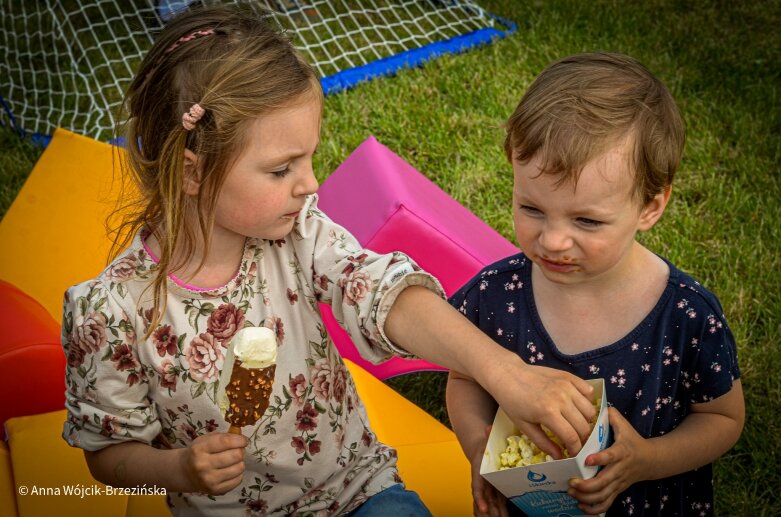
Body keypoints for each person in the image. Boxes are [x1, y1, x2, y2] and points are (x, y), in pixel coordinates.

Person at [60, 6, 597, 516]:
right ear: (191, 172)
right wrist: (177, 469)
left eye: (309, 158)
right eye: (281, 169)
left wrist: (507, 374)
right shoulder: (110, 313)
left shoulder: (298, 234)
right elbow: (109, 458)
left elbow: (385, 295)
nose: (310, 183)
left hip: (358, 491)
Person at [446, 52, 744, 517]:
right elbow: (465, 376)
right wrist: (476, 443)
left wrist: (646, 461)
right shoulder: (496, 293)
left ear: (650, 207)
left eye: (586, 219)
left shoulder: (687, 316)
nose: (552, 239)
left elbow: (723, 418)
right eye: (531, 208)